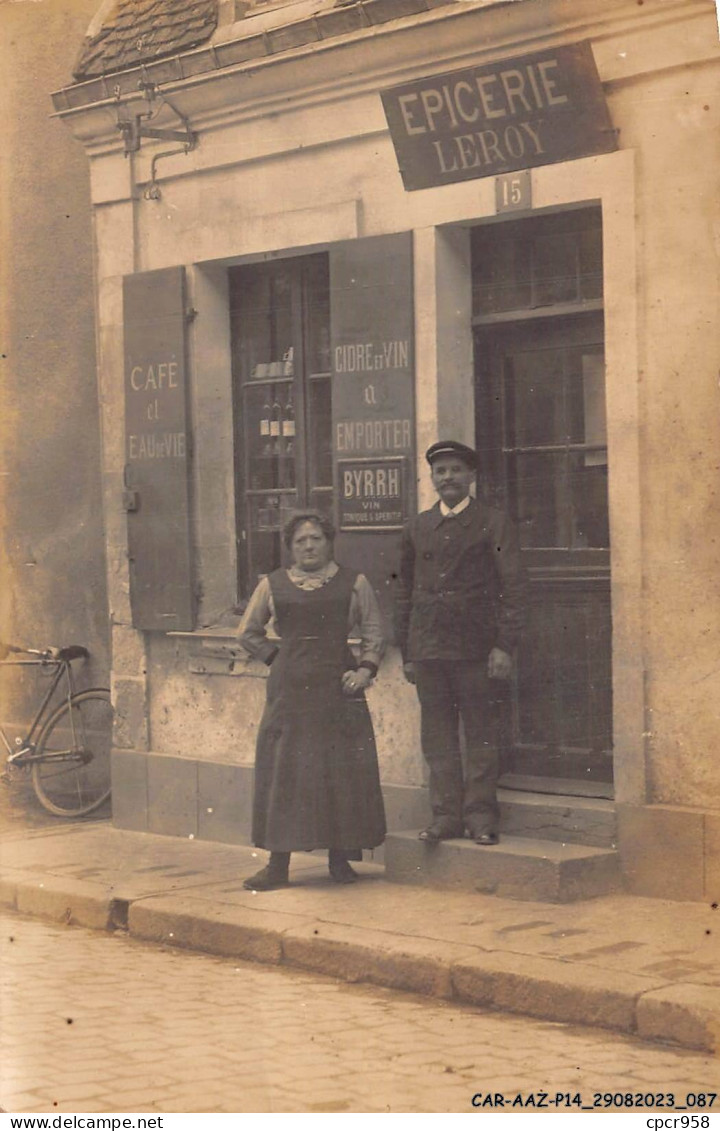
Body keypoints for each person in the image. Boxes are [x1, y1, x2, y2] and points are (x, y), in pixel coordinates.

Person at [238, 510, 387, 890]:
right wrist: (278, 659)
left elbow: (374, 632)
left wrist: (364, 671)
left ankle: (340, 861)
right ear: (290, 547)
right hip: (289, 691)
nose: (308, 546)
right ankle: (277, 866)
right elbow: (248, 632)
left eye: (316, 539)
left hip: (339, 688)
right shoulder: (272, 584)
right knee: (286, 772)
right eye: (300, 540)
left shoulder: (355, 583)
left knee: (340, 770)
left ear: (329, 542)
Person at [394, 440, 527, 846]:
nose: (448, 477)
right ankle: (446, 816)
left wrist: (504, 644)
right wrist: (408, 651)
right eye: (440, 471)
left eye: (455, 470)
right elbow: (403, 592)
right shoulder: (417, 527)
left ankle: (481, 817)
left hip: (476, 649)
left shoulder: (492, 522)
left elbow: (514, 585)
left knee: (482, 734)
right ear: (432, 478)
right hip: (429, 649)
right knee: (437, 737)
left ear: (471, 476)